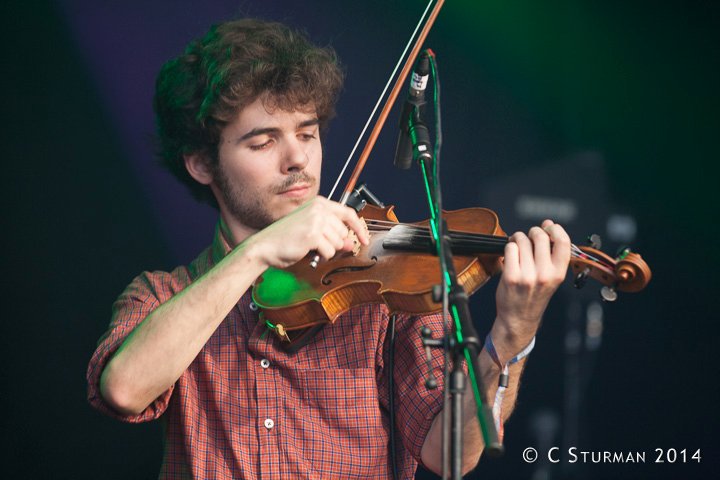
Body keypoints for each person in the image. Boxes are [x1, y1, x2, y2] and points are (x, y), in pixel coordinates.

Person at [86, 18, 571, 479]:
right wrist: (259, 251)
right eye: (262, 143)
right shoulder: (162, 294)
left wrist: (511, 335)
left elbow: (451, 454)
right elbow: (124, 389)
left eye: (307, 134)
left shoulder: (391, 287)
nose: (297, 159)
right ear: (201, 165)